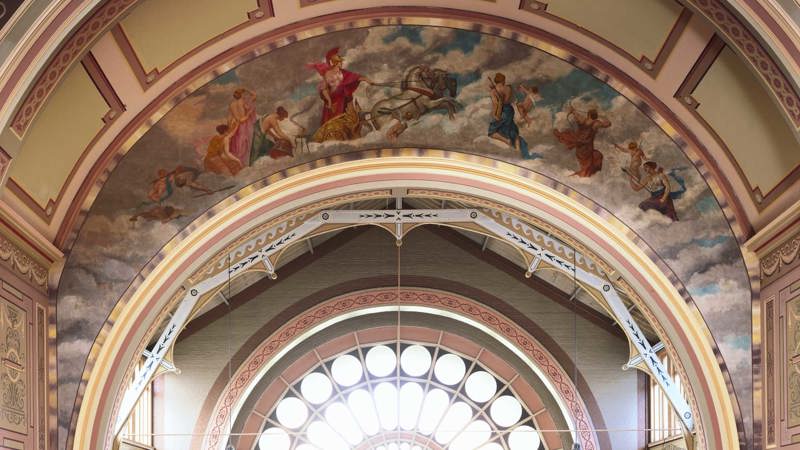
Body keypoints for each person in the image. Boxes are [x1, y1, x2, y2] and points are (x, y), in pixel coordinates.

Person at [308, 47, 372, 125]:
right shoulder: (328, 74)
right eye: (339, 62)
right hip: (334, 101)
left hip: (343, 99)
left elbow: (355, 77)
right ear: (334, 63)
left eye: (341, 62)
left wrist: (366, 80)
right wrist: (329, 101)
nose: (341, 64)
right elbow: (324, 89)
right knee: (334, 121)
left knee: (348, 102)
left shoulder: (343, 72)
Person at [553, 106, 611, 177]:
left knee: (591, 159)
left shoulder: (583, 120)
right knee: (593, 159)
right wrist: (603, 117)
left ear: (588, 115)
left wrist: (573, 111)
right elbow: (608, 124)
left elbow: (576, 115)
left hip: (580, 146)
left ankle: (583, 174)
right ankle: (584, 174)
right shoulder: (596, 123)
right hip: (587, 147)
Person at [488, 73, 532, 159]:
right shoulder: (508, 88)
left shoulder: (493, 92)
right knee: (512, 128)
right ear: (503, 81)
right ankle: (518, 149)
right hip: (509, 110)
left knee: (491, 132)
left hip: (502, 112)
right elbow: (507, 99)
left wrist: (494, 114)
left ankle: (506, 140)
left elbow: (496, 104)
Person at [227, 88, 257, 166]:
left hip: (237, 125)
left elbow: (232, 118)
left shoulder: (231, 105)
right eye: (243, 94)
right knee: (248, 144)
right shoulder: (244, 101)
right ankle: (247, 162)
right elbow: (254, 95)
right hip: (246, 124)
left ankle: (240, 163)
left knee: (238, 144)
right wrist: (247, 89)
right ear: (242, 95)